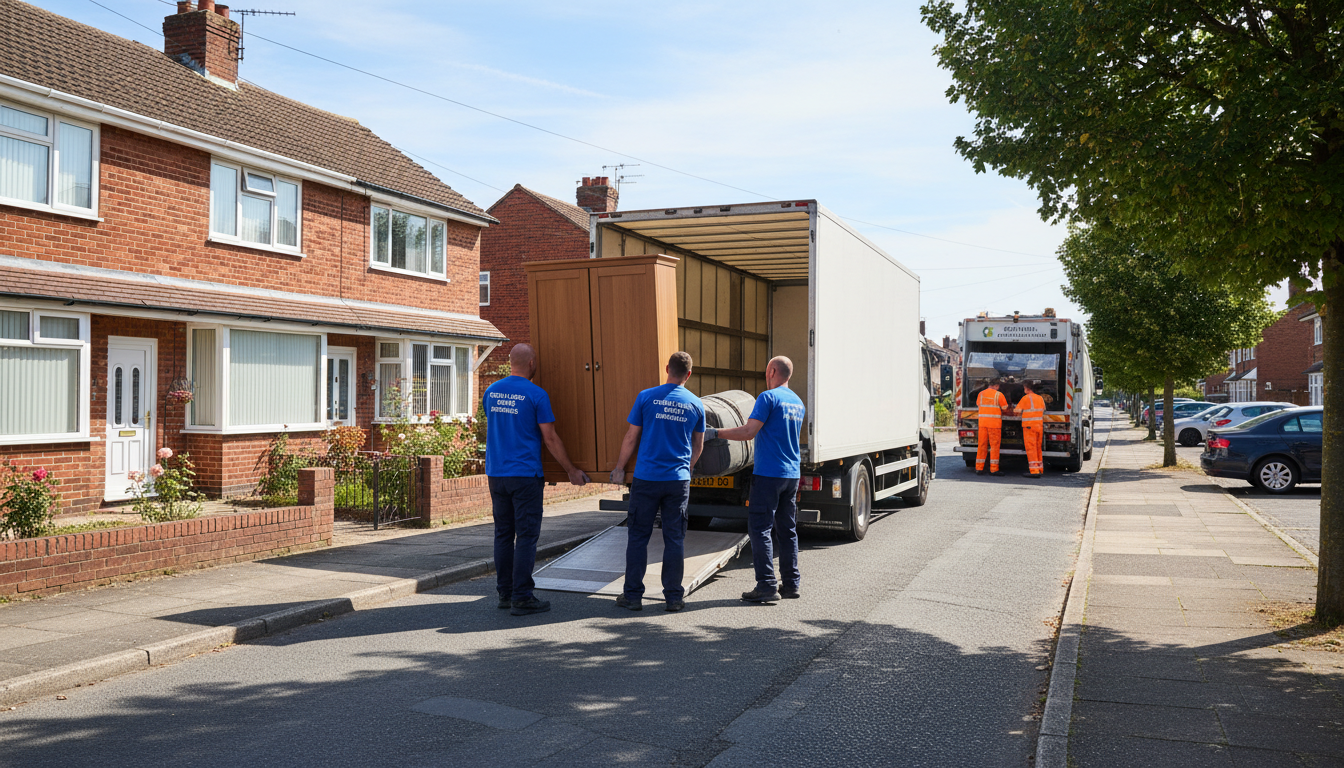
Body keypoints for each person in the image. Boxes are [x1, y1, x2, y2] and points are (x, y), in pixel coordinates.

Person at [484, 344, 589, 617]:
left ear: (510, 363)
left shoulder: (491, 392)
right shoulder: (536, 395)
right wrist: (571, 470)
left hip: (496, 474)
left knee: (503, 535)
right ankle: (522, 596)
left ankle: (504, 593)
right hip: (525, 475)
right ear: (531, 363)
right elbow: (550, 438)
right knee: (527, 536)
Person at [609, 352, 706, 613]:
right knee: (674, 539)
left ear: (667, 369)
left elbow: (631, 437)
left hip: (647, 479)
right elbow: (698, 446)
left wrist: (619, 469)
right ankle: (673, 597)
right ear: (689, 374)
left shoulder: (646, 397)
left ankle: (632, 596)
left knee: (638, 537)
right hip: (677, 481)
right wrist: (686, 468)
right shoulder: (696, 404)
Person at [709, 356, 805, 603]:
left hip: (769, 474)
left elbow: (748, 431)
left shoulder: (768, 397)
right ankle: (791, 584)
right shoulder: (797, 401)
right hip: (792, 474)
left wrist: (715, 432)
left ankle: (766, 585)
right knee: (787, 530)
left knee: (760, 528)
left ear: (772, 371)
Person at [976, 377, 1008, 476]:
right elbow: (1005, 408)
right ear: (997, 386)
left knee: (982, 445)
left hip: (982, 424)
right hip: (994, 425)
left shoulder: (981, 394)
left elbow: (978, 405)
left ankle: (979, 468)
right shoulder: (999, 395)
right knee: (994, 447)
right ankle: (994, 469)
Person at [1017, 380, 1046, 478]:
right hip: (1039, 426)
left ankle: (1034, 471)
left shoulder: (1025, 398)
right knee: (1038, 448)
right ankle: (1039, 468)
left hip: (1029, 427)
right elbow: (1043, 409)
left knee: (1031, 449)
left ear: (1026, 388)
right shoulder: (1040, 398)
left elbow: (1017, 411)